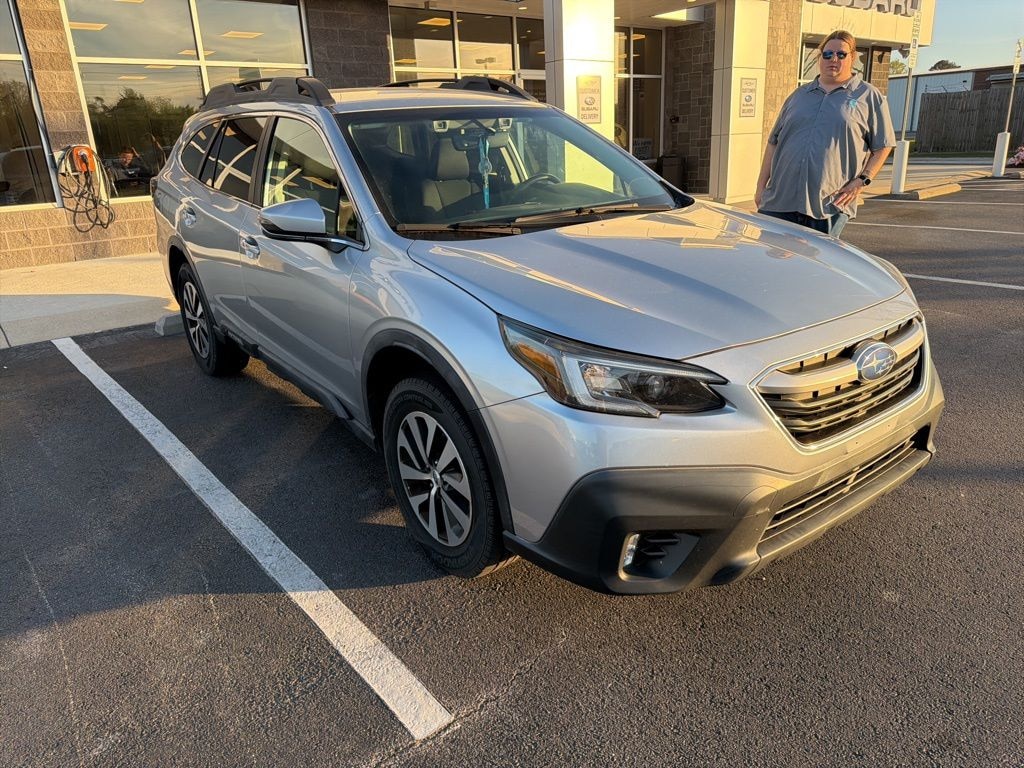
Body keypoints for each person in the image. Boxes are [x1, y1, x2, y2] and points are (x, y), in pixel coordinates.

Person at [755, 30, 895, 238]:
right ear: (820, 57)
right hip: (779, 201)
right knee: (771, 267)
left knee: (817, 268)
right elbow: (773, 142)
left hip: (828, 205)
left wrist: (862, 181)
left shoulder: (868, 96)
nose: (834, 59)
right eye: (828, 54)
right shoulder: (799, 96)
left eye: (841, 54)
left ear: (852, 57)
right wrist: (760, 188)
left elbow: (883, 145)